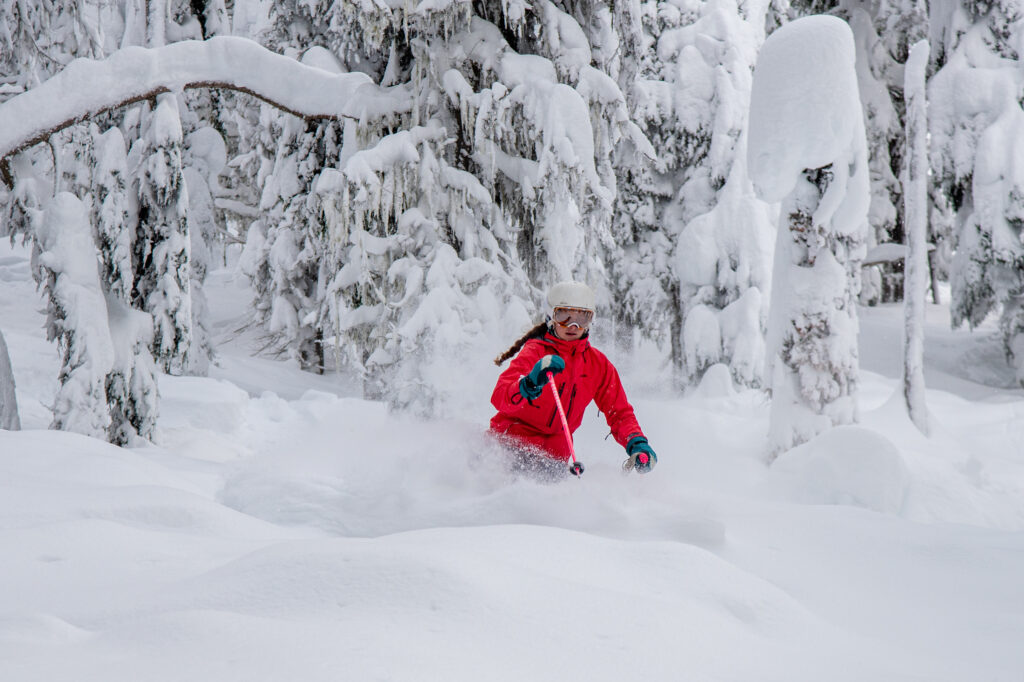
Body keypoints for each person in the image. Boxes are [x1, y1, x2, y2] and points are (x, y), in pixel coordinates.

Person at [490, 281, 657, 477]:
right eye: (564, 316)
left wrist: (636, 442)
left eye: (582, 318)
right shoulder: (535, 352)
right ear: (551, 317)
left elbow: (619, 412)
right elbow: (499, 396)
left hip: (552, 460)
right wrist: (529, 384)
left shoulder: (597, 365)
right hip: (509, 447)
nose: (573, 325)